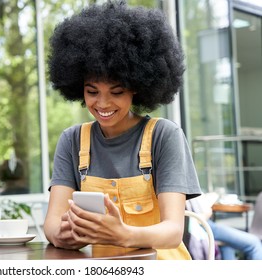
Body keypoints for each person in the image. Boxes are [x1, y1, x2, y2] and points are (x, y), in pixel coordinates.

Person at [43, 1, 201, 260]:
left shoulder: (164, 135)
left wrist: (122, 234)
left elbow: (173, 231)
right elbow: (51, 223)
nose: (102, 104)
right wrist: (62, 236)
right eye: (92, 91)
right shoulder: (72, 141)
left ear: (137, 87)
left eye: (116, 92)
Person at [186, 193, 262, 260]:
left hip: (204, 225)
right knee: (254, 244)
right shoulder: (183, 188)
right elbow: (198, 219)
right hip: (203, 226)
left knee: (227, 246)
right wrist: (207, 210)